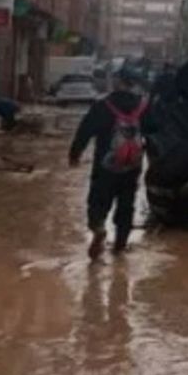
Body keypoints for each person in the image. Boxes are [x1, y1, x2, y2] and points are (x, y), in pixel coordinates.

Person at [69, 67, 150, 257]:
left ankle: (98, 228)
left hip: (105, 166)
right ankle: (120, 245)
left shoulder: (102, 106)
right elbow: (155, 132)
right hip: (132, 167)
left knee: (98, 201)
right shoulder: (144, 107)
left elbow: (84, 131)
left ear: (119, 81)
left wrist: (75, 153)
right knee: (126, 204)